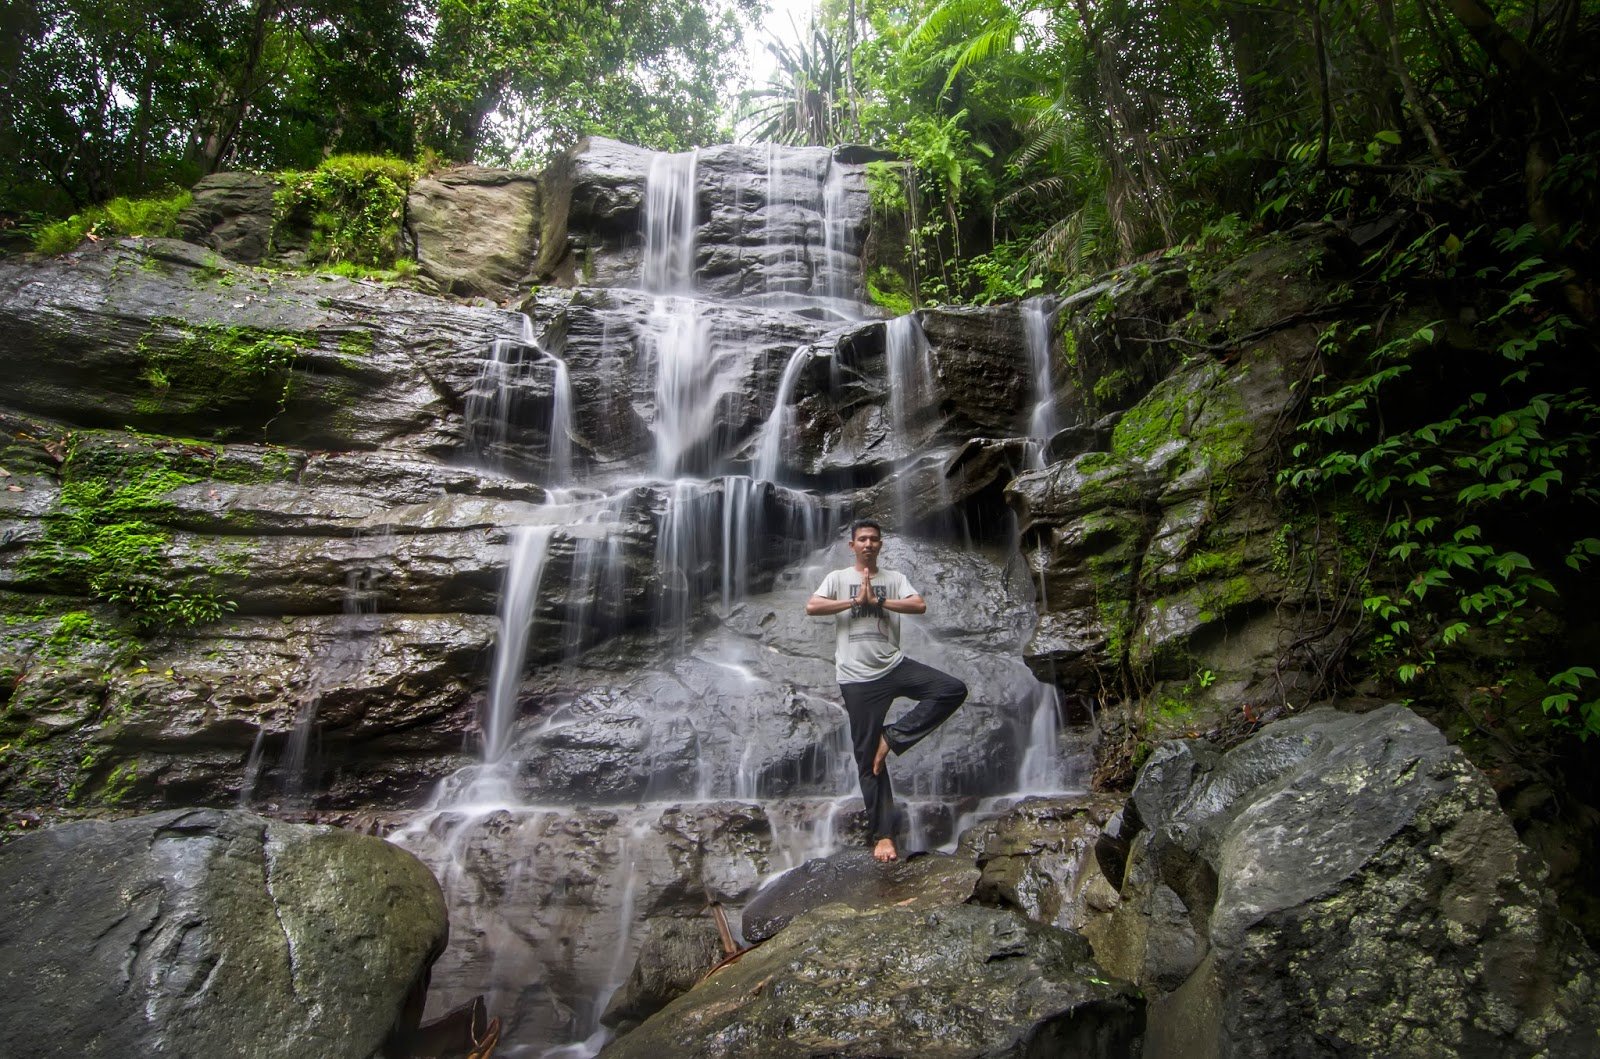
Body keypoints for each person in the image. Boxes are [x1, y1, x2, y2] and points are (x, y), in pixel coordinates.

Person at [805, 518, 968, 862]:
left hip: (893, 666)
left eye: (873, 539)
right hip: (856, 678)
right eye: (862, 539)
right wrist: (853, 603)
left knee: (951, 689)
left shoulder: (894, 580)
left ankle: (892, 737)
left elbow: (918, 605)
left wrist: (877, 601)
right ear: (852, 545)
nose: (868, 544)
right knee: (869, 763)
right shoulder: (837, 579)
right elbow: (813, 606)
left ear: (880, 545)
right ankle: (884, 836)